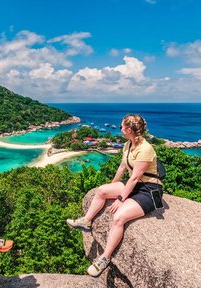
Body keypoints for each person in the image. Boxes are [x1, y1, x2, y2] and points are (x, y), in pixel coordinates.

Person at [66, 114, 163, 277]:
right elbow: (122, 168)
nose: (120, 129)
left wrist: (120, 199)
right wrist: (112, 185)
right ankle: (87, 221)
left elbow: (135, 177)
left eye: (121, 127)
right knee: (101, 191)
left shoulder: (145, 149)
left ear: (129, 129)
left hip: (148, 189)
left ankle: (105, 258)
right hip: (135, 184)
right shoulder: (128, 144)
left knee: (118, 217)